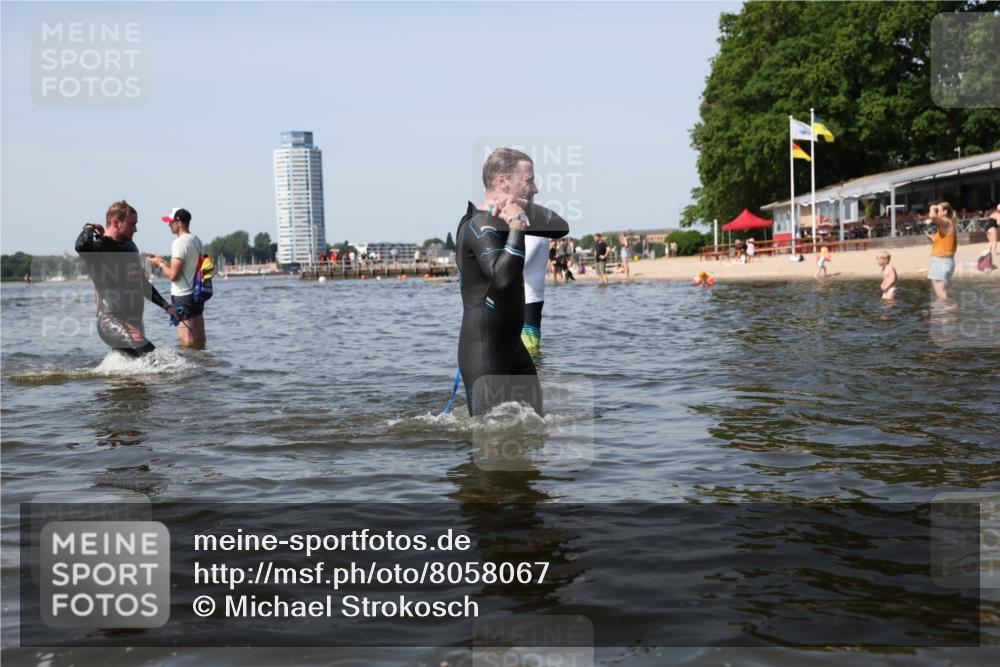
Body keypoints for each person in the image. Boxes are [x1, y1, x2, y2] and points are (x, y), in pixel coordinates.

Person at [456, 147, 542, 416]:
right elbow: (503, 277)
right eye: (528, 181)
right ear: (503, 181)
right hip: (484, 352)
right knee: (491, 443)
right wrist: (517, 223)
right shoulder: (478, 224)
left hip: (514, 348)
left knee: (536, 431)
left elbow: (562, 227)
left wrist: (517, 212)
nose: (535, 188)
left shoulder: (500, 218)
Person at [75, 200, 178, 357]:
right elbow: (81, 246)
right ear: (116, 222)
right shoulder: (99, 247)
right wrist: (89, 227)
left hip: (134, 322)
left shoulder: (131, 247)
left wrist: (167, 307)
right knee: (152, 358)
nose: (136, 229)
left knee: (135, 374)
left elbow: (141, 283)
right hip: (111, 321)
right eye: (132, 224)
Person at [149, 208, 207, 349]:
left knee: (187, 342)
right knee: (200, 339)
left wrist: (160, 264)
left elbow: (174, 276)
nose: (169, 225)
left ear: (179, 222)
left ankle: (188, 370)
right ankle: (203, 367)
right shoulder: (197, 241)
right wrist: (167, 264)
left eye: (171, 222)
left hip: (182, 297)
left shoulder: (179, 243)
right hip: (197, 296)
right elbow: (194, 268)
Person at [926, 202, 957, 300]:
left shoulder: (947, 222)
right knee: (943, 293)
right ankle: (948, 312)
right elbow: (944, 243)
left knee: (941, 294)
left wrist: (932, 207)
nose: (936, 212)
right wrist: (933, 239)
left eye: (938, 210)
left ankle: (947, 312)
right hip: (942, 262)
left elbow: (932, 217)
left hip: (941, 262)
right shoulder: (944, 225)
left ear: (945, 212)